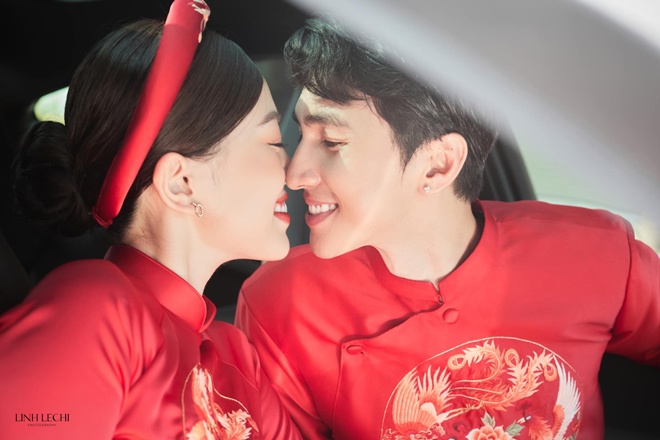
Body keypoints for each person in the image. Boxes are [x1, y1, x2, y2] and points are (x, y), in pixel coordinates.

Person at [235, 17, 660, 440]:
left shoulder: (598, 254)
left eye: (331, 142)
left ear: (438, 165)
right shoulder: (281, 304)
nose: (294, 175)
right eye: (301, 136)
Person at [0, 1, 301, 439]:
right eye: (274, 142)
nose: (294, 170)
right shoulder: (97, 311)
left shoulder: (237, 357)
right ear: (182, 183)